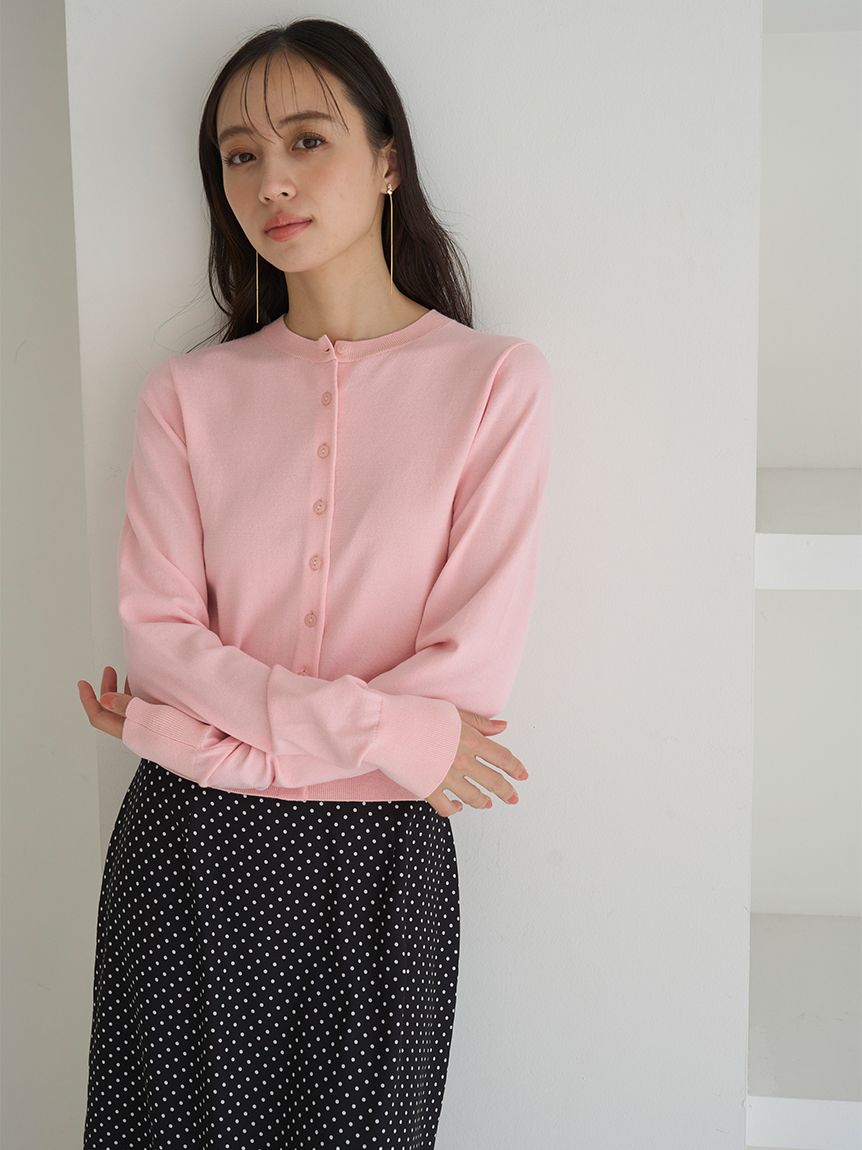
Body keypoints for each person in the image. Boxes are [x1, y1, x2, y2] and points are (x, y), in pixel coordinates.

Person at [76, 17, 552, 1149]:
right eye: (240, 155)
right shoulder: (185, 397)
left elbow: (462, 685)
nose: (270, 181)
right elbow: (162, 648)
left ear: (388, 160)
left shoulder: (495, 385)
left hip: (379, 872)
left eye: (306, 139)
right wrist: (385, 736)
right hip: (185, 860)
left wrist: (194, 740)